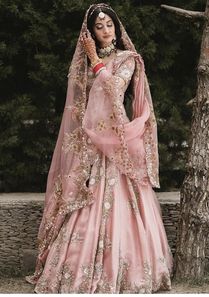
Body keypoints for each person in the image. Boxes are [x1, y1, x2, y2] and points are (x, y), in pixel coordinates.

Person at [25, 3, 173, 293]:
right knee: (84, 202)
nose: (106, 30)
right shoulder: (85, 67)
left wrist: (95, 59)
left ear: (117, 28)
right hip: (92, 146)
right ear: (91, 32)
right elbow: (79, 107)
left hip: (118, 144)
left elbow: (116, 90)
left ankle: (126, 271)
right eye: (99, 26)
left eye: (109, 24)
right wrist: (92, 61)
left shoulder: (129, 59)